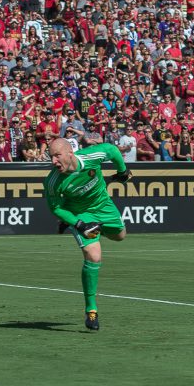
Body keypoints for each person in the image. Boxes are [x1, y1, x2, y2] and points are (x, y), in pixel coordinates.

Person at [44, 139, 132, 331]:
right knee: (94, 255)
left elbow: (111, 150)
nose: (53, 161)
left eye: (57, 156)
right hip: (79, 214)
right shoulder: (52, 181)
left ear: (70, 153)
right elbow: (55, 208)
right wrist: (79, 223)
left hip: (103, 205)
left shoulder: (91, 157)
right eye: (51, 157)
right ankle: (91, 310)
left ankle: (80, 225)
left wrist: (122, 170)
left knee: (120, 236)